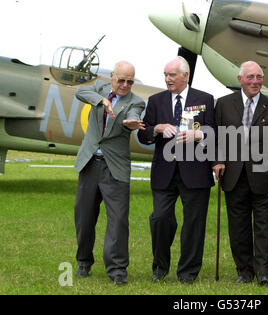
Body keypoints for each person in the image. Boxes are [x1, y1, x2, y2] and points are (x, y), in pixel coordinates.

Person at [137, 56, 215, 284]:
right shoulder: (155, 101)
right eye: (165, 75)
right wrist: (157, 128)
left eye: (172, 75)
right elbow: (143, 134)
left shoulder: (205, 99)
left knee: (194, 224)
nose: (167, 79)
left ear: (185, 76)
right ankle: (160, 266)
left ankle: (188, 272)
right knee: (160, 218)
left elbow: (215, 132)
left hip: (196, 172)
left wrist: (199, 134)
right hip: (164, 172)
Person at [213, 61, 268, 286]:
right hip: (233, 177)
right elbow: (217, 138)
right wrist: (217, 161)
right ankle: (244, 271)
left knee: (264, 228)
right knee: (238, 228)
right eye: (250, 77)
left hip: (264, 179)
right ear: (240, 80)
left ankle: (264, 273)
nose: (255, 81)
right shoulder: (224, 104)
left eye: (259, 77)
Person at [73, 61, 145, 285]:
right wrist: (102, 101)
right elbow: (79, 91)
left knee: (119, 221)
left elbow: (133, 115)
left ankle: (117, 270)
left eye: (130, 81)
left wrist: (130, 123)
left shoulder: (136, 102)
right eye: (121, 80)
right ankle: (84, 261)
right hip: (90, 163)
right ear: (112, 77)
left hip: (115, 167)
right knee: (84, 217)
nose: (125, 85)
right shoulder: (98, 89)